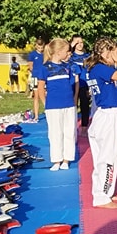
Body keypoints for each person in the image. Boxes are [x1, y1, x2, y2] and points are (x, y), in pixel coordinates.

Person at [86, 37, 117, 209]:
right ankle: (102, 197)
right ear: (106, 52)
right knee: (108, 157)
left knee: (102, 157)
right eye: (113, 52)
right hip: (107, 116)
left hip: (103, 114)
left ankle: (105, 192)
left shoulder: (96, 69)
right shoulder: (101, 68)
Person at [35, 37, 78, 171]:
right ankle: (56, 160)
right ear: (59, 52)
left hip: (68, 104)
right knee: (55, 133)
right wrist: (45, 103)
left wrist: (74, 100)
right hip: (53, 106)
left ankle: (67, 159)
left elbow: (72, 84)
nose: (68, 53)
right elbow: (40, 88)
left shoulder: (67, 67)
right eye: (66, 51)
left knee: (69, 132)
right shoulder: (45, 68)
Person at [70, 36, 91, 136]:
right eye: (77, 42)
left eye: (81, 42)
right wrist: (71, 47)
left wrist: (90, 86)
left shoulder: (88, 56)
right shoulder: (70, 56)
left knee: (85, 107)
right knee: (72, 107)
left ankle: (84, 128)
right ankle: (72, 128)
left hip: (84, 85)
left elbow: (91, 71)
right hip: (72, 85)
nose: (80, 44)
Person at [27, 35, 47, 117]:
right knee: (36, 96)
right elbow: (30, 66)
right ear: (36, 46)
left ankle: (47, 110)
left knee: (44, 94)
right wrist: (35, 74)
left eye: (42, 47)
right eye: (39, 47)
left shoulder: (45, 54)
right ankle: (36, 116)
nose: (40, 49)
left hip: (44, 77)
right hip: (35, 77)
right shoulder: (32, 54)